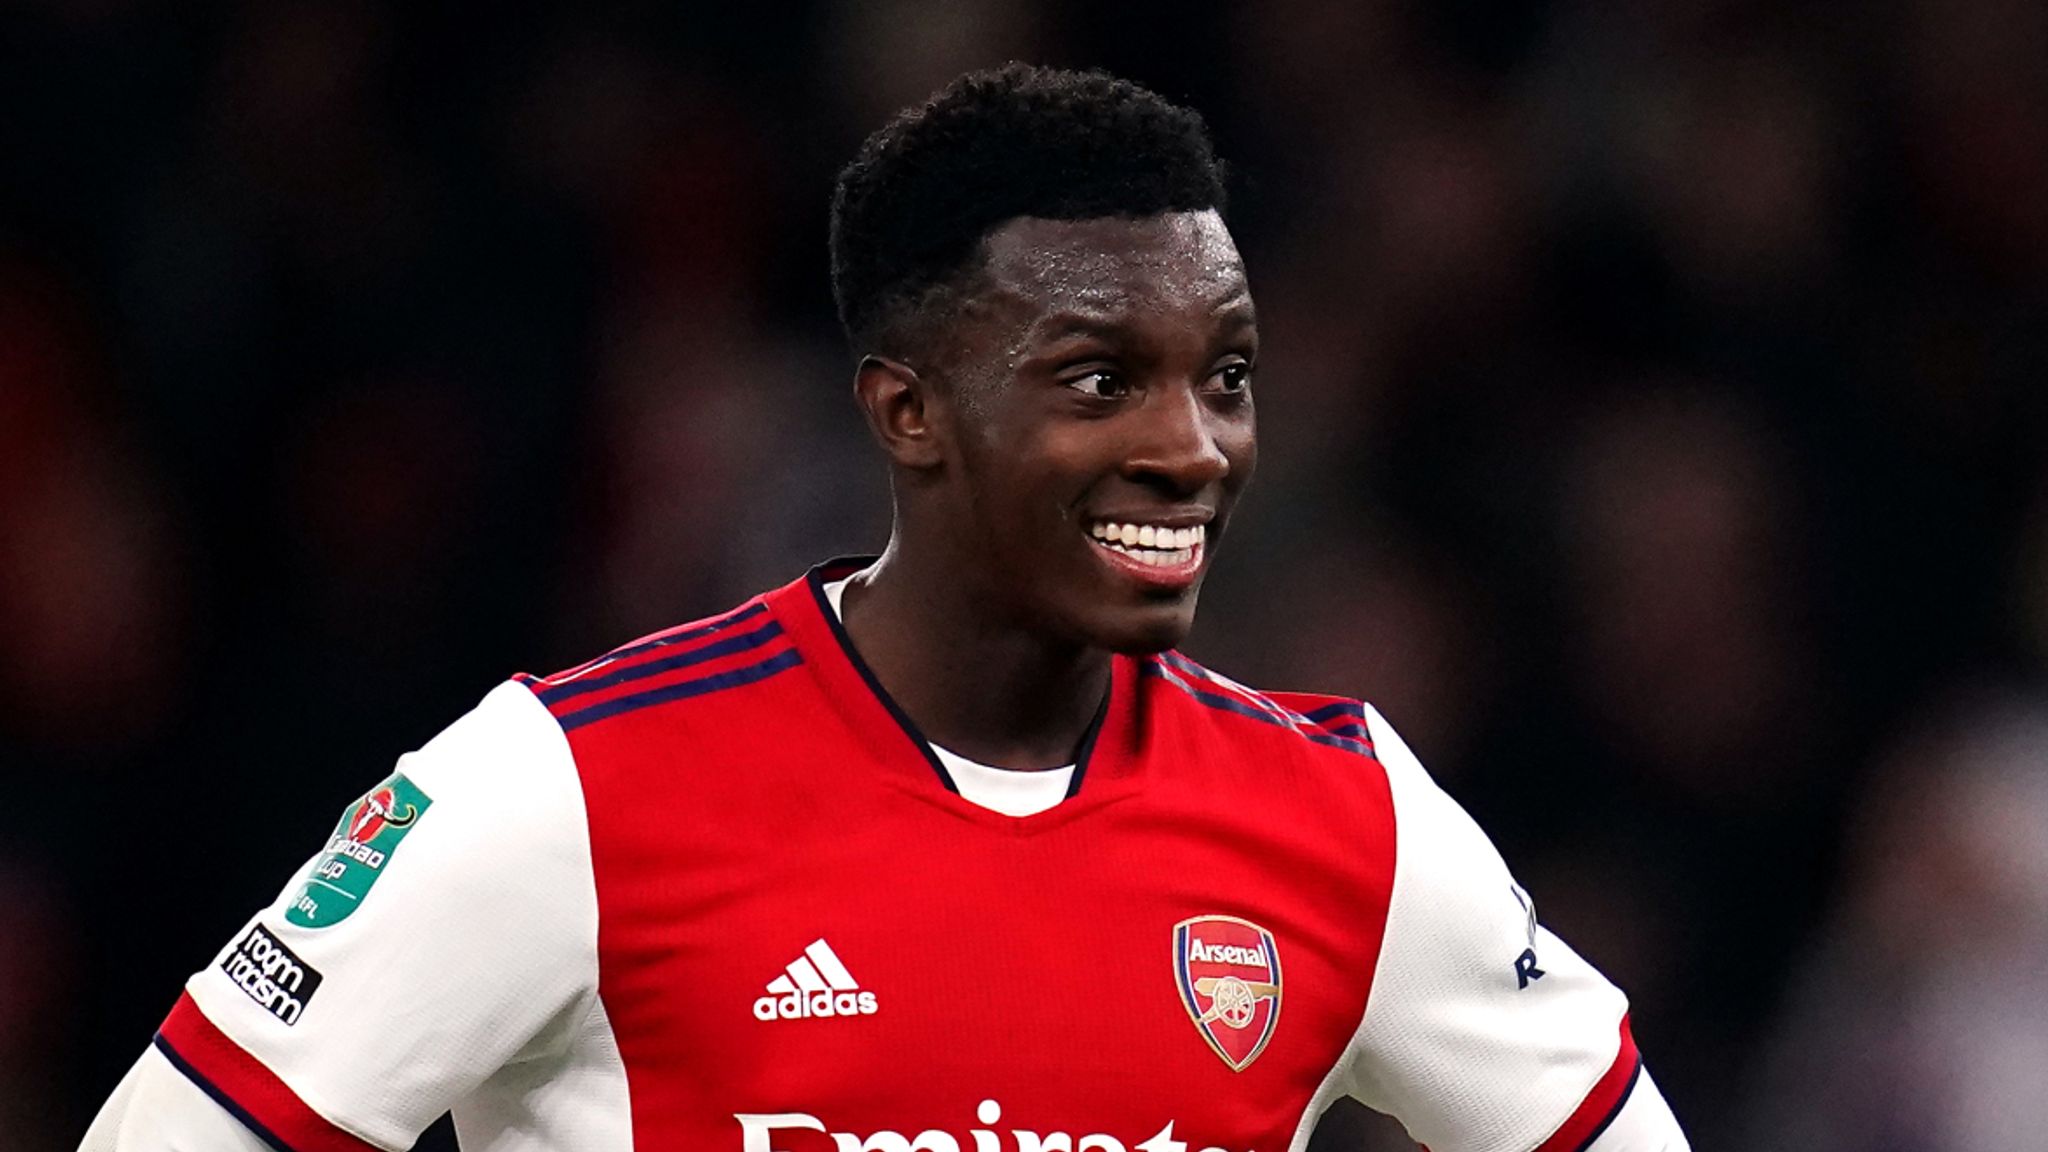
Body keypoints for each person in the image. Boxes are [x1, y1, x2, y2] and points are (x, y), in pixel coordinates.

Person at [83, 65, 1689, 1152]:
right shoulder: (566, 790)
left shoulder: (1350, 824)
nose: (1190, 446)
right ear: (907, 412)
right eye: (1100, 377)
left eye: (1229, 377)